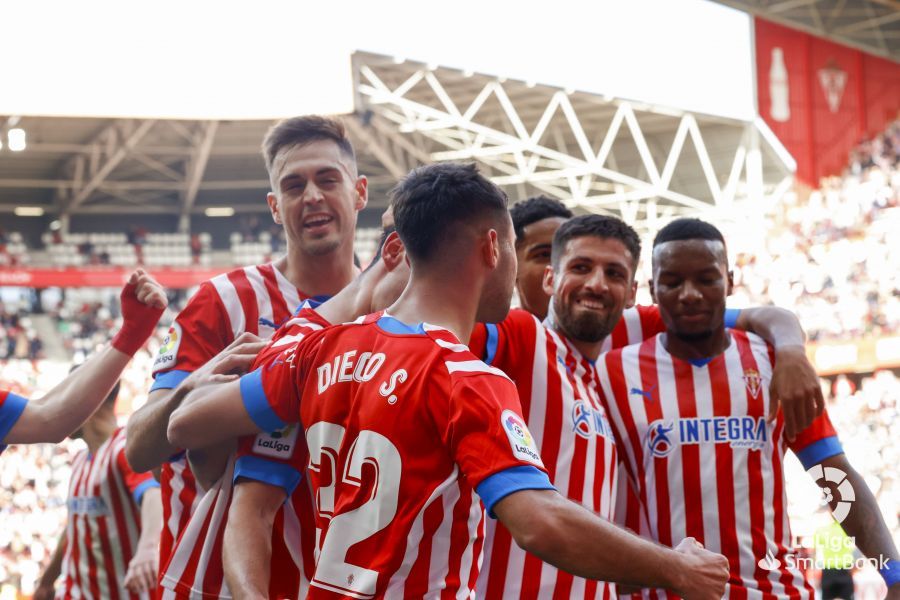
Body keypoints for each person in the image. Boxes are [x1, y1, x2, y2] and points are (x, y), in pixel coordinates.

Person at [167, 163, 730, 599]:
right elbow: (538, 523)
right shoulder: (466, 378)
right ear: (492, 248)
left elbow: (187, 423)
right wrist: (674, 567)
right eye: (513, 245)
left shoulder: (319, 347)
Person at [468, 214, 824, 599]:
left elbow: (736, 312)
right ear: (551, 279)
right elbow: (442, 323)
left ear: (633, 294)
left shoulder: (605, 370)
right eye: (581, 267)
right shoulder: (523, 336)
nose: (597, 284)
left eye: (614, 273)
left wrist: (790, 347)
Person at [598, 218, 900, 598]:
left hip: (774, 591)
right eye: (673, 281)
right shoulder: (611, 373)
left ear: (730, 281)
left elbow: (833, 474)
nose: (689, 294)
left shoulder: (775, 364)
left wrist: (893, 572)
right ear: (652, 290)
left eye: (707, 278)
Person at [124, 115, 367, 586]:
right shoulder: (222, 302)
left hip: (337, 582)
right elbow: (138, 448)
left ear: (359, 193)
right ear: (276, 207)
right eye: (294, 186)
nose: (312, 196)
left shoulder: (387, 314)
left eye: (327, 179)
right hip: (212, 582)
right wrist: (192, 390)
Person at [161, 227, 409, 599]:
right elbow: (184, 432)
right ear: (396, 252)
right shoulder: (302, 347)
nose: (423, 303)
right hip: (245, 582)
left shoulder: (402, 345)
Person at [0, 269, 165, 451]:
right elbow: (48, 416)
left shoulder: (118, 458)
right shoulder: (83, 463)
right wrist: (132, 333)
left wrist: (131, 332)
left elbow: (47, 412)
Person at [34, 381, 163, 600]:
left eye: (66, 399)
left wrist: (148, 548)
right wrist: (47, 580)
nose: (59, 408)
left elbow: (152, 494)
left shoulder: (123, 449)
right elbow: (75, 526)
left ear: (88, 400)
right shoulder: (80, 460)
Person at [509, 195, 573, 320]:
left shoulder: (617, 334)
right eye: (544, 254)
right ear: (511, 267)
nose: (562, 267)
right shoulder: (488, 336)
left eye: (571, 255)